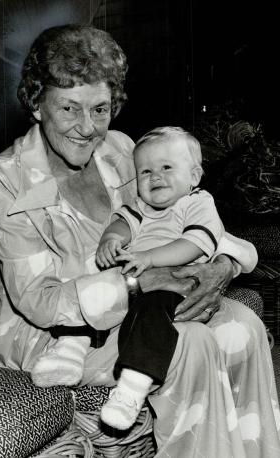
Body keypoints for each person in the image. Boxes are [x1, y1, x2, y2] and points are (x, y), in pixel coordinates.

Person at [0, 24, 280, 457]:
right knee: (189, 345)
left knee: (244, 325)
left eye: (100, 109)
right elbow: (39, 302)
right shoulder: (5, 178)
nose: (87, 128)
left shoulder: (120, 150)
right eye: (69, 108)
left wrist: (225, 263)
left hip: (143, 309)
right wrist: (140, 281)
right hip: (58, 334)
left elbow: (188, 218)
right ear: (36, 104)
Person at [95, 126, 224, 430]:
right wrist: (110, 241)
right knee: (92, 296)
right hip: (136, 279)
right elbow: (122, 226)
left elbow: (195, 244)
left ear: (193, 176)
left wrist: (149, 258)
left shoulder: (198, 202)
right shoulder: (142, 207)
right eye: (145, 171)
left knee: (151, 311)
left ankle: (133, 385)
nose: (154, 176)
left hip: (177, 285)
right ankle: (71, 348)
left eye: (167, 167)